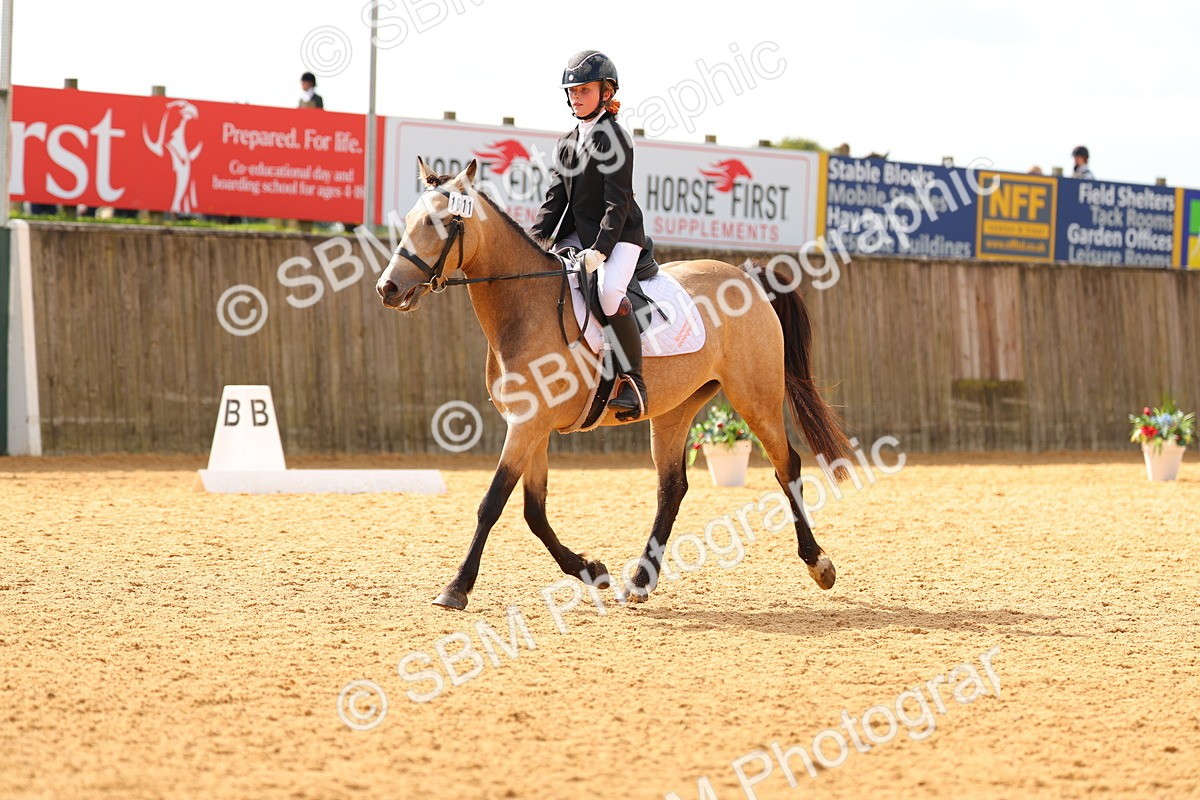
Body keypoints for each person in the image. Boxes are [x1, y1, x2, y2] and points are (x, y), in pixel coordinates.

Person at [531, 50, 648, 421]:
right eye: (572, 91)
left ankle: (633, 381)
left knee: (610, 293)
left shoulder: (616, 138)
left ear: (606, 91)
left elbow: (618, 204)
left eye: (584, 90)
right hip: (578, 235)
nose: (576, 97)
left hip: (620, 234)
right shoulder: (567, 141)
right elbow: (555, 201)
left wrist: (599, 250)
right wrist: (534, 243)